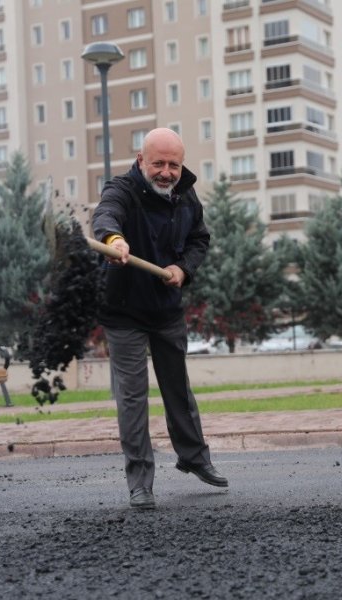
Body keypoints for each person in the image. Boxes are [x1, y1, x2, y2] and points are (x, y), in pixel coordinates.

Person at [92, 127, 228, 509]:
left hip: (166, 308)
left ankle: (194, 457)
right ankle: (140, 482)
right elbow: (105, 215)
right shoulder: (122, 189)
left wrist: (183, 268)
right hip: (123, 311)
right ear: (141, 161)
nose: (166, 172)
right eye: (158, 164)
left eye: (173, 165)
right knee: (133, 397)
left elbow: (199, 239)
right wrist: (114, 240)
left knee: (177, 388)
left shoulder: (186, 194)